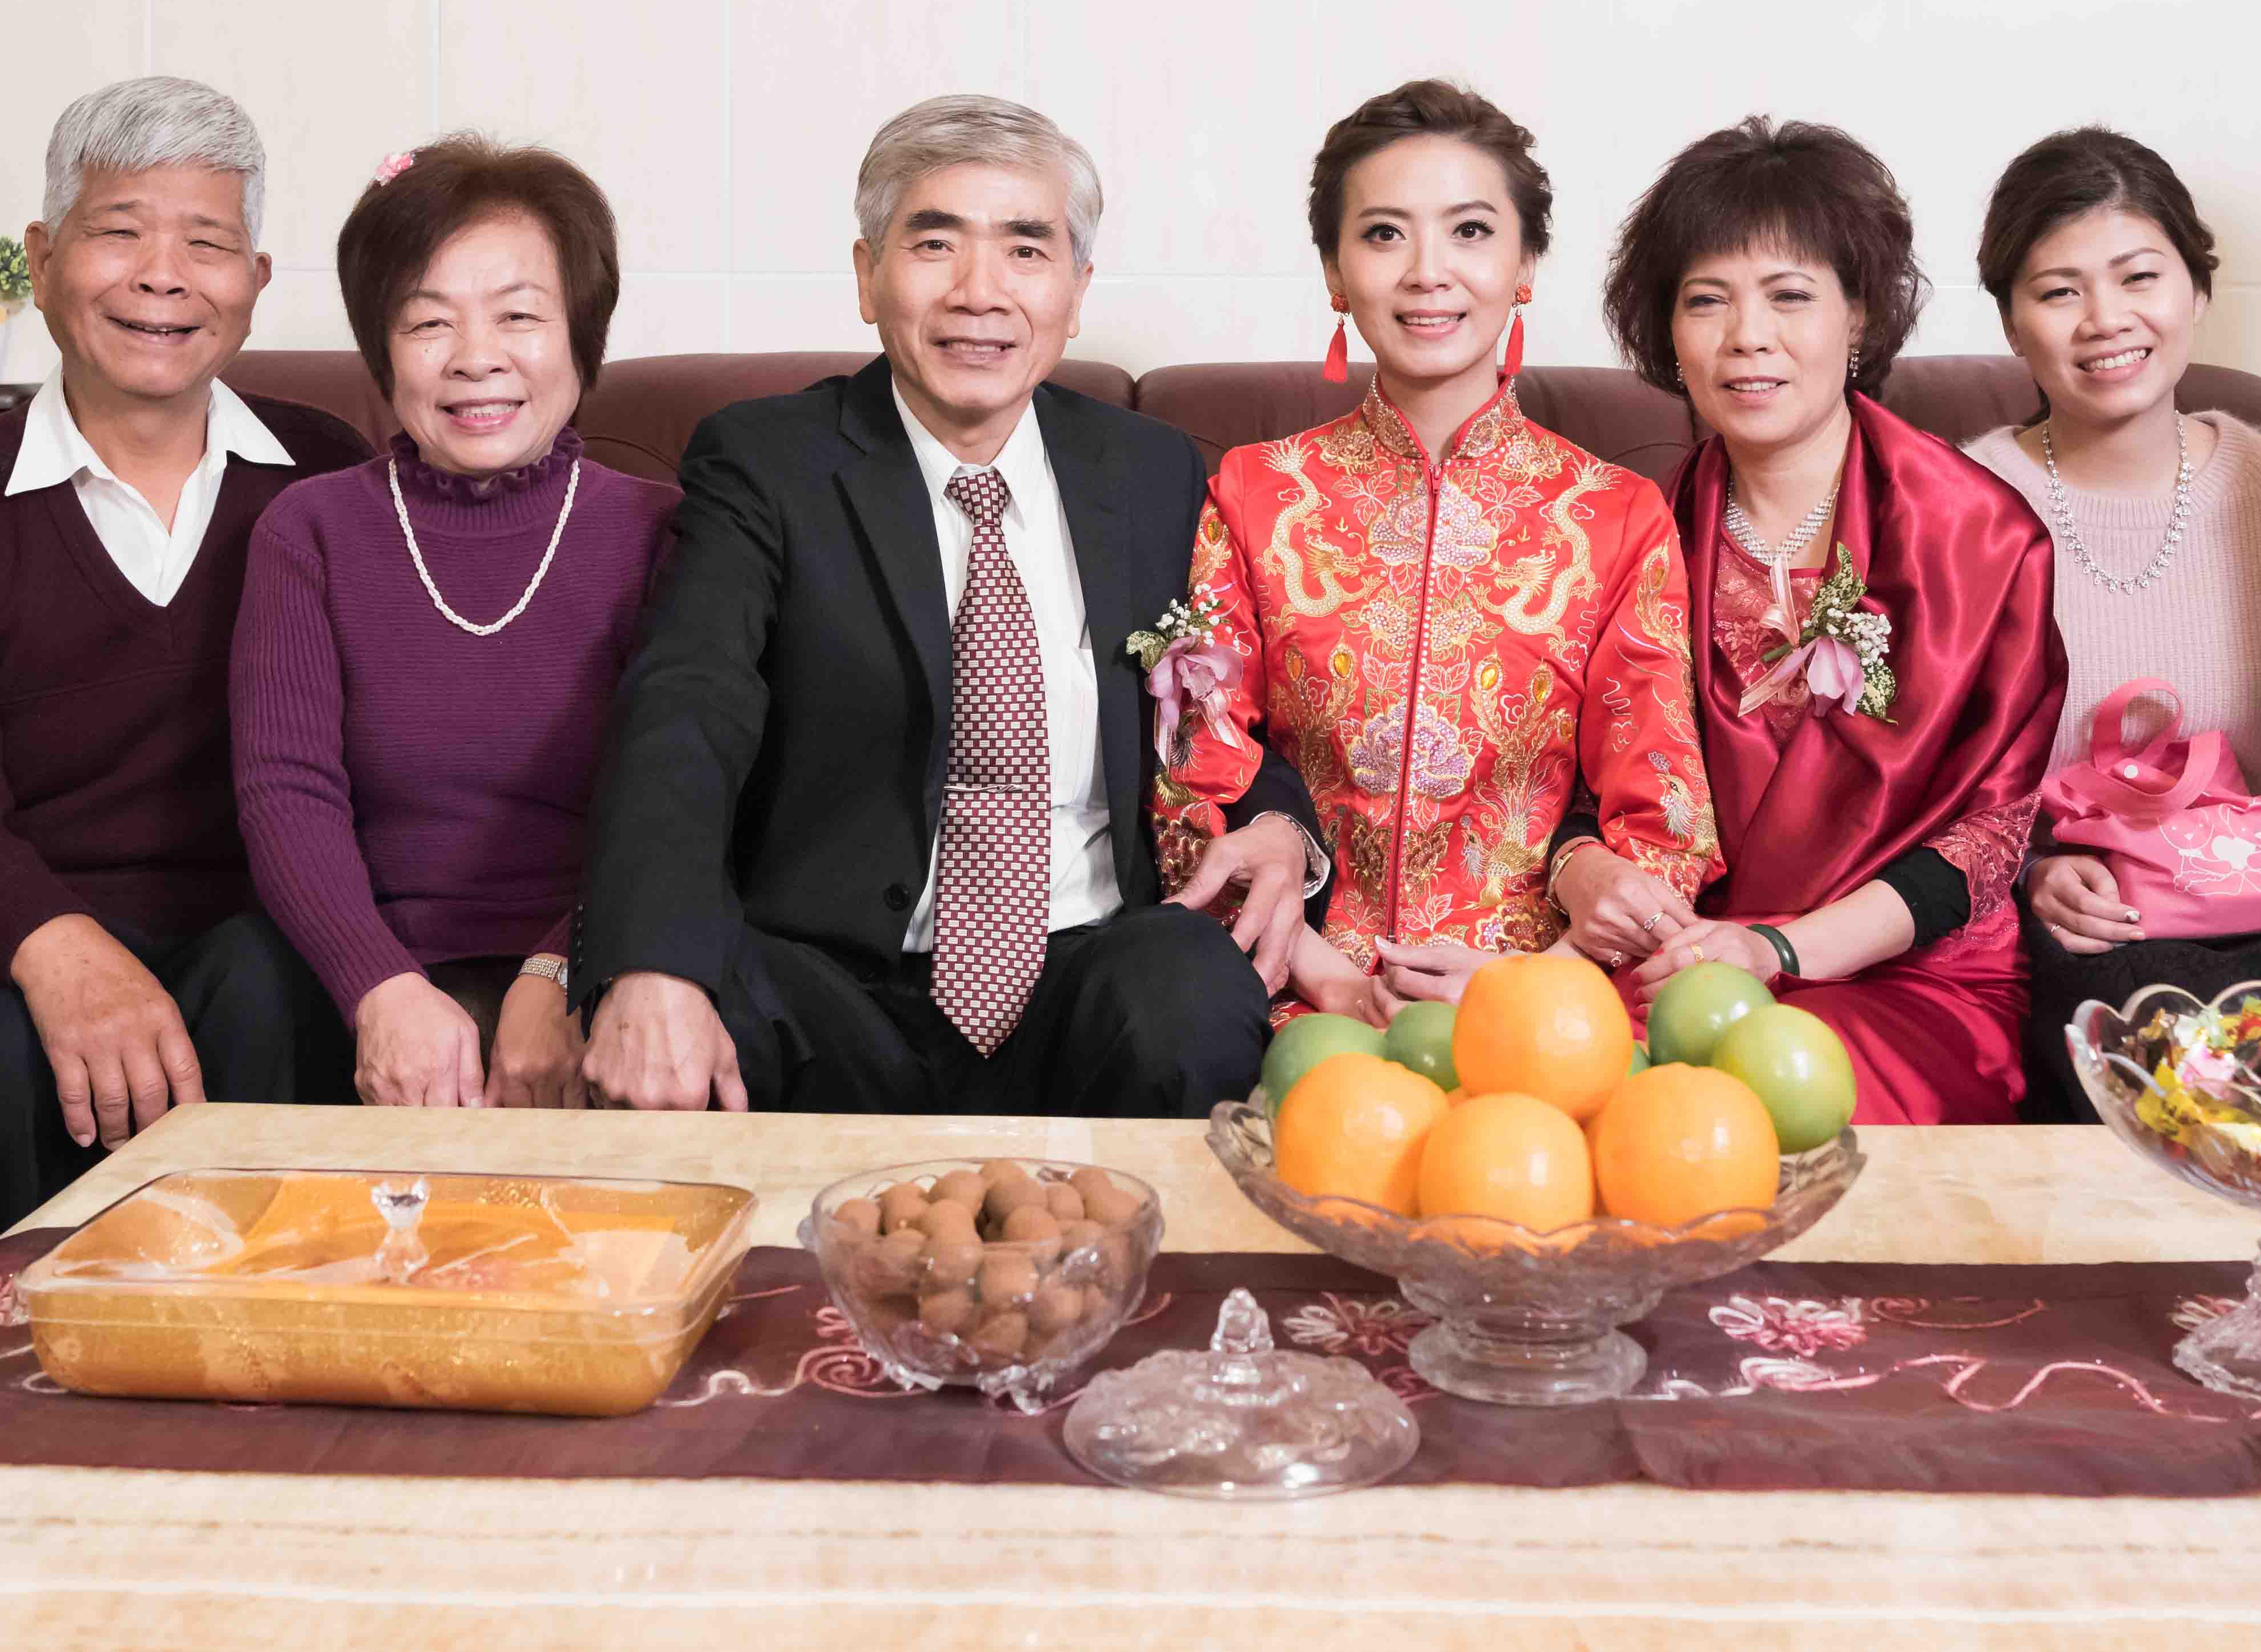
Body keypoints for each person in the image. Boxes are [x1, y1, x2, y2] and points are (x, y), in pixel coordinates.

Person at [578, 96, 1322, 1114]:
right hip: (832, 982)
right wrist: (650, 961)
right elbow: (686, 706)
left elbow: (1220, 710)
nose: (980, 293)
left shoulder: (1148, 472)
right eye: (934, 244)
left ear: (1076, 289)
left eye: (1026, 250)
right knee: (713, 996)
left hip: (1092, 968)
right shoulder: (767, 463)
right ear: (866, 276)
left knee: (1188, 988)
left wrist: (1280, 824)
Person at [0, 79, 363, 1290]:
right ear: (41, 257)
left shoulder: (330, 478)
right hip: (13, 943)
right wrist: (54, 947)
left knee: (271, 996)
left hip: (265, 929)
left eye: (206, 243)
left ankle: (269, 1381)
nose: (161, 277)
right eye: (119, 231)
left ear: (256, 281)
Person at [1154, 80, 1714, 1021]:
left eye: (1469, 231)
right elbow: (1195, 771)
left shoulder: (1616, 515)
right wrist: (1327, 980)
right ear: (1334, 273)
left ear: (1525, 263)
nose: (1427, 272)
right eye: (1383, 234)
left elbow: (1662, 810)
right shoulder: (1253, 495)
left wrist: (1532, 985)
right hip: (1293, 984)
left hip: (1539, 1000)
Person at [1589, 117, 2059, 1122]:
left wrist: (1777, 949)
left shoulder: (1978, 536)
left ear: (1858, 317)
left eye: (1789, 296)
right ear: (1666, 332)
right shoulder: (1631, 531)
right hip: (1679, 962)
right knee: (1567, 1097)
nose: (1746, 336)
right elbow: (1581, 787)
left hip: (1907, 974)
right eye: (1705, 300)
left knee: (1744, 1105)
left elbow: (1988, 836)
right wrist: (1595, 880)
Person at [229, 139, 678, 1108]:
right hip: (366, 968)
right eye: (429, 321)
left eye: (518, 315)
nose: (476, 358)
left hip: (599, 958)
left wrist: (560, 969)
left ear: (581, 334)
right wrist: (380, 990)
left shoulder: (664, 532)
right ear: (381, 350)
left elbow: (684, 798)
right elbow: (287, 790)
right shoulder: (308, 530)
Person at [1966, 128, 2261, 1115]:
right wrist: (2030, 869)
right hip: (2091, 922)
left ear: (2198, 291)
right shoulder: (1957, 507)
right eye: (2059, 291)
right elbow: (1933, 772)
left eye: (2139, 277)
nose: (2105, 320)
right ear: (2011, 325)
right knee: (2142, 1069)